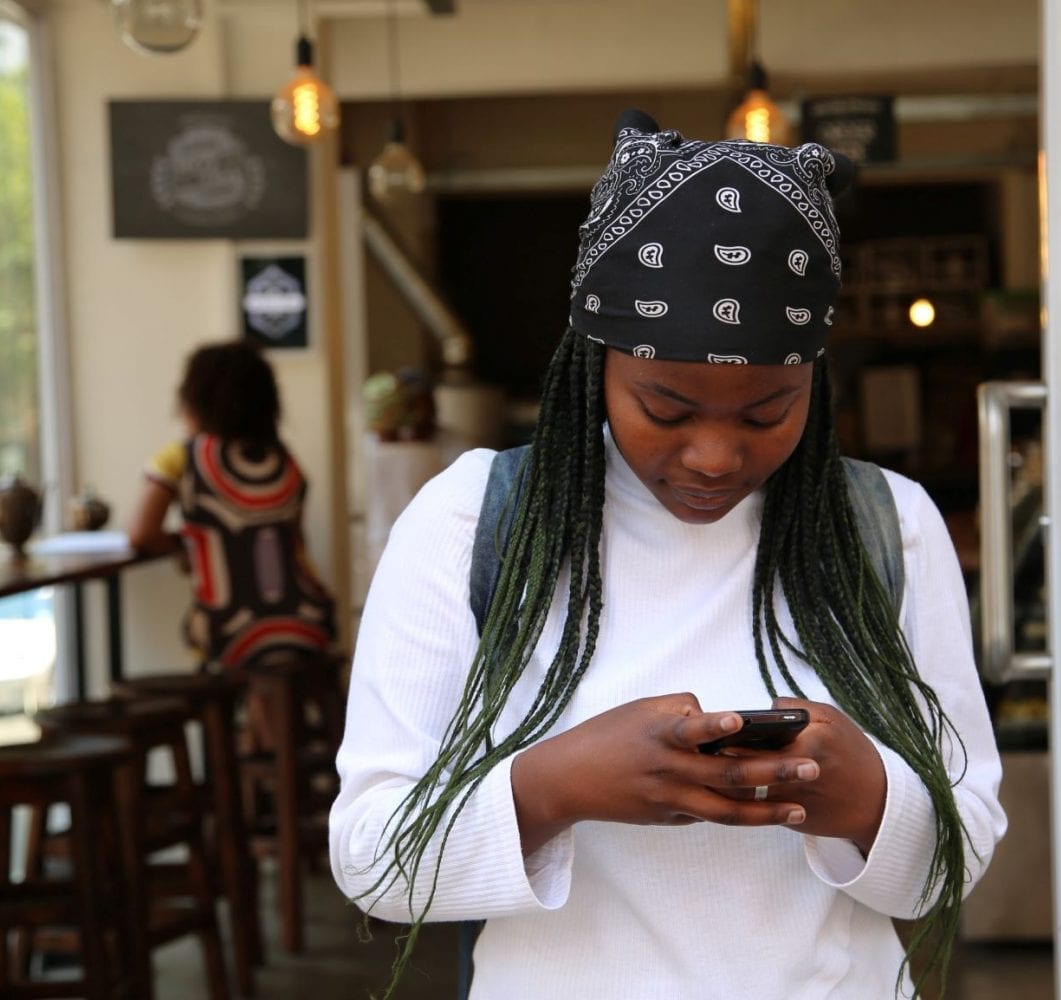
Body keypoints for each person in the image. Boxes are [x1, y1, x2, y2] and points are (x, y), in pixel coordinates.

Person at [329, 111, 1006, 999]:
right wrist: (555, 786)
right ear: (595, 363)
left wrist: (871, 796)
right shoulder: (473, 523)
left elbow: (965, 846)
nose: (715, 456)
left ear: (816, 381)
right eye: (668, 409)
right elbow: (374, 861)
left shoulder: (888, 525)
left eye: (769, 413)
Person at [128, 339, 337, 743]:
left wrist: (186, 545)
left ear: (193, 402)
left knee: (241, 660)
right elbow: (291, 548)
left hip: (228, 629)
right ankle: (278, 772)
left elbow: (140, 532)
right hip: (307, 622)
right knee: (271, 672)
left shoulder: (181, 457)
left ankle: (256, 774)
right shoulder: (283, 460)